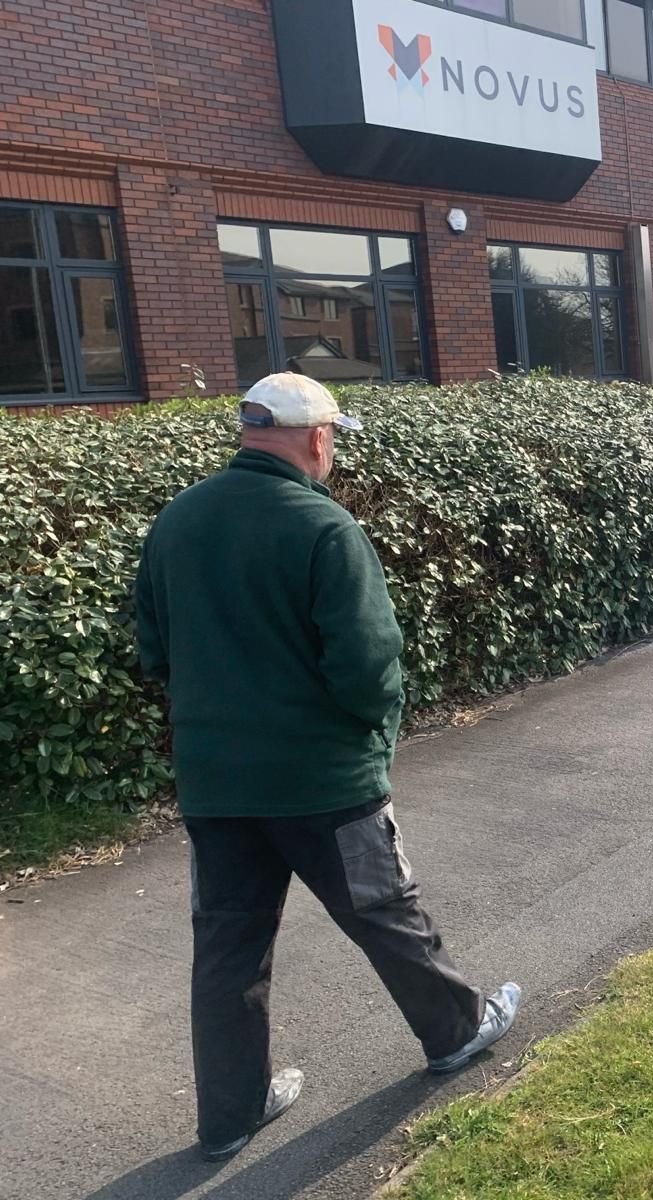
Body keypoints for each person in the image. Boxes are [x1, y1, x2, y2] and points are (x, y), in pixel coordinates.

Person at [135, 373, 520, 1162]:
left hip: (216, 785)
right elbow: (369, 665)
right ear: (316, 438)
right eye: (333, 438)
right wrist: (373, 741)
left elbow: (154, 649)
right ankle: (455, 1032)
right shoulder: (323, 526)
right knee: (384, 910)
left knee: (228, 946)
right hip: (322, 782)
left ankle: (231, 1115)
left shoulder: (175, 522)